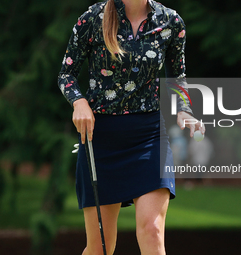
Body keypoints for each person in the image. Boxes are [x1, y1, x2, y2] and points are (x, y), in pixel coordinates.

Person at [58, 0, 205, 254]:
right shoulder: (93, 17)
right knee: (100, 248)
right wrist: (79, 102)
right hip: (100, 139)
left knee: (152, 231)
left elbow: (178, 76)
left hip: (148, 137)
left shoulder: (170, 21)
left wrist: (185, 109)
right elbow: (66, 74)